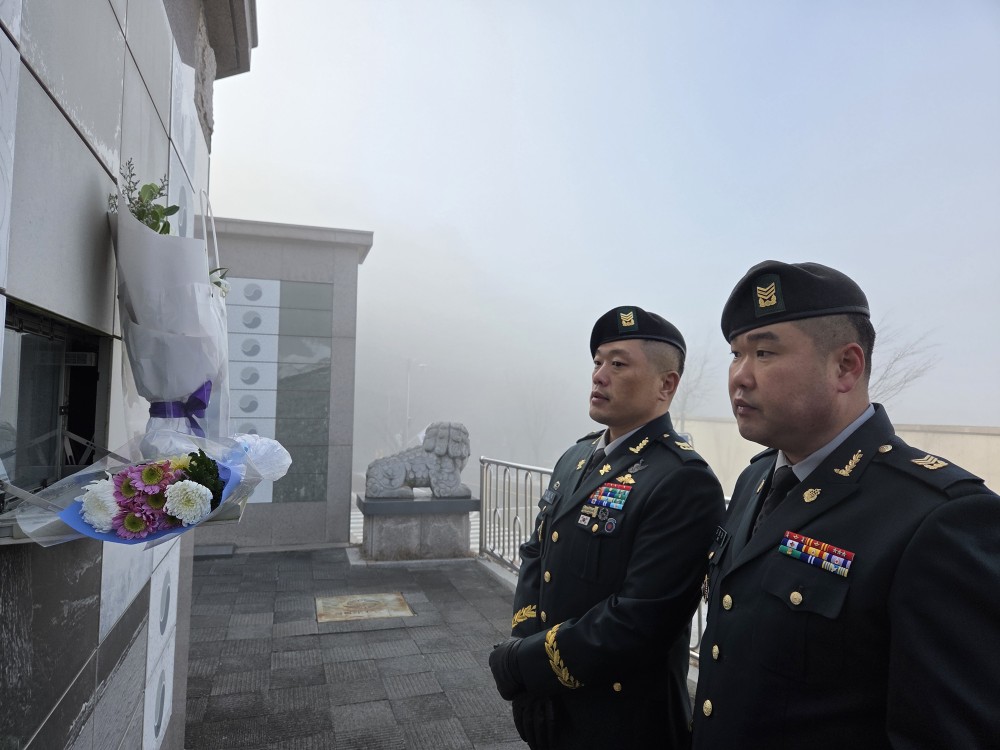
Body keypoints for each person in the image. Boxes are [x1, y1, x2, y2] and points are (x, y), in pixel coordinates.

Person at [692, 261, 1000, 748]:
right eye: (736, 354)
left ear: (846, 367)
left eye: (765, 352)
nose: (739, 377)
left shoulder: (937, 517)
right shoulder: (756, 478)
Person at [489, 305, 725, 750]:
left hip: (623, 719)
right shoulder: (576, 457)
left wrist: (526, 665)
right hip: (551, 703)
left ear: (666, 384)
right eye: (598, 362)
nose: (599, 375)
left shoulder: (682, 480)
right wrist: (525, 646)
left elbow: (639, 621)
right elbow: (536, 554)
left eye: (618, 364)